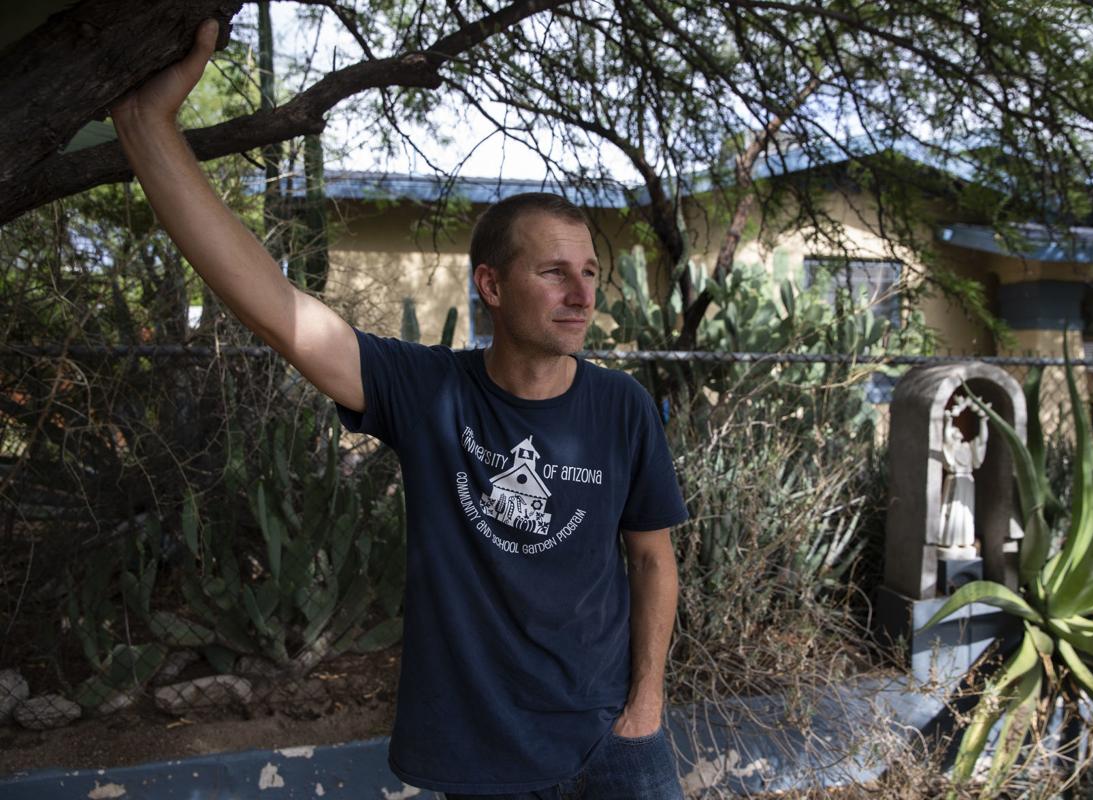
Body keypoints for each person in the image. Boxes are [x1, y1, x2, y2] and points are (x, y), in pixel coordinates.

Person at [111, 20, 689, 800]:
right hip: (484, 759)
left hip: (616, 744)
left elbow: (653, 561)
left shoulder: (621, 407)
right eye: (554, 272)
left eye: (589, 271)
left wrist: (646, 706)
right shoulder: (428, 392)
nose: (582, 294)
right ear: (491, 285)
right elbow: (278, 309)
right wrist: (145, 127)